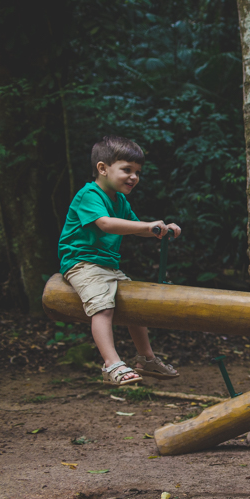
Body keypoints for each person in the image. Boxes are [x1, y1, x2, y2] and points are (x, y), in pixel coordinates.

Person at [58, 136, 182, 387]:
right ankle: (111, 363)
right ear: (103, 168)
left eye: (137, 172)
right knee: (103, 308)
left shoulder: (120, 200)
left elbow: (136, 228)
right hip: (82, 263)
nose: (134, 177)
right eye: (127, 170)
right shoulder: (90, 194)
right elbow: (105, 224)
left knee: (133, 309)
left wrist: (162, 229)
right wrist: (147, 226)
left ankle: (146, 358)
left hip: (108, 266)